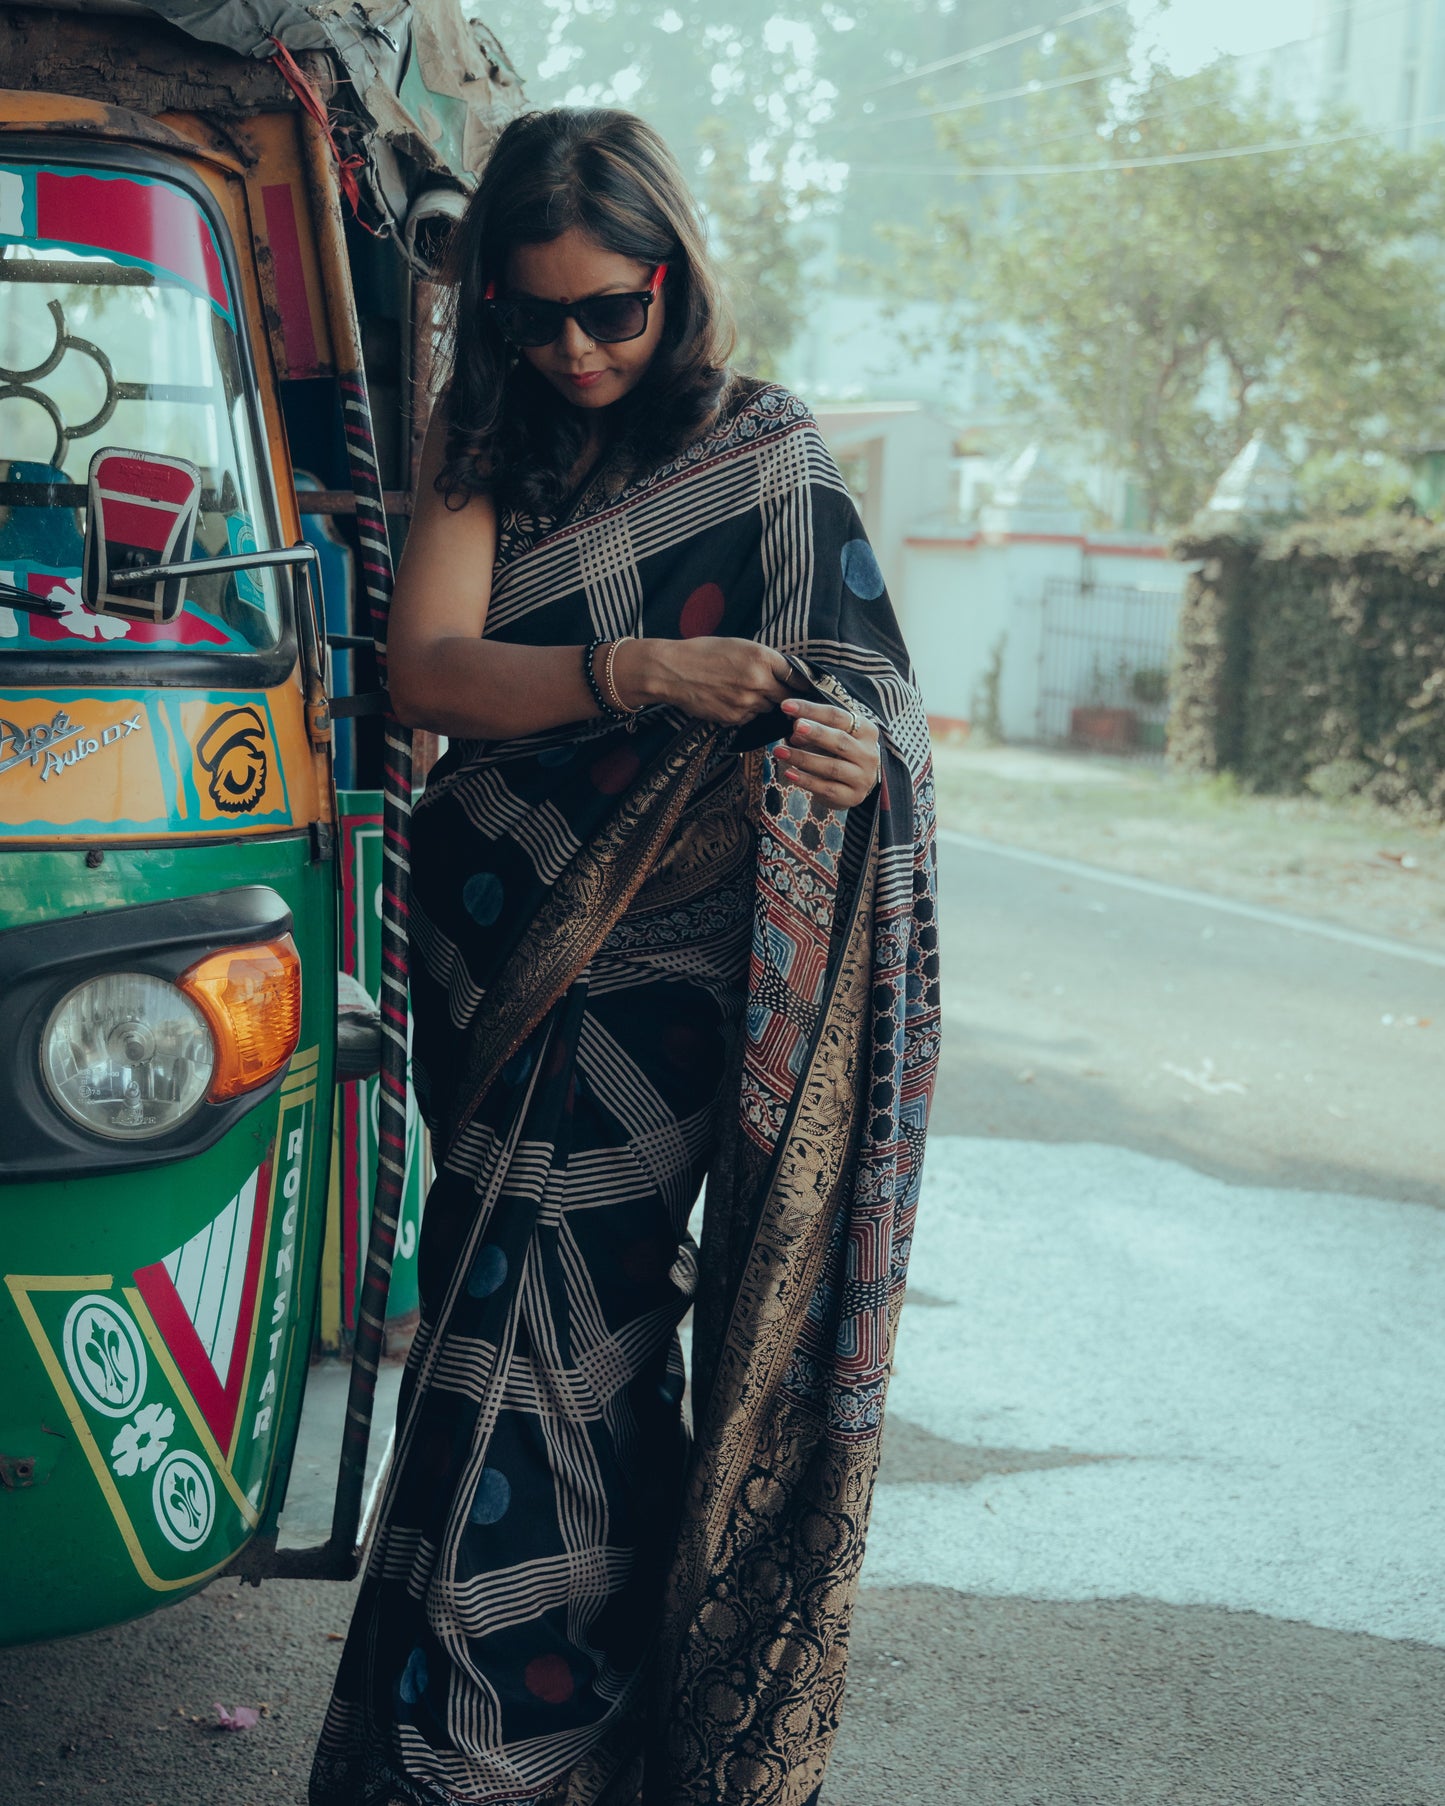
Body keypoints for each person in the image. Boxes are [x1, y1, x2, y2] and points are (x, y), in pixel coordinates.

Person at [310, 107, 940, 1806]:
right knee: (493, 1327)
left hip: (671, 984)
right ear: (495, 313)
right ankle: (548, 1742)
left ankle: (501, 1750)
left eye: (615, 307)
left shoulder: (765, 451)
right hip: (499, 961)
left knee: (570, 1335)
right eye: (539, 315)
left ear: (677, 280)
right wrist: (638, 672)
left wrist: (849, 754)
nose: (579, 348)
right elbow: (430, 674)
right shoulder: (481, 444)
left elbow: (866, 686)